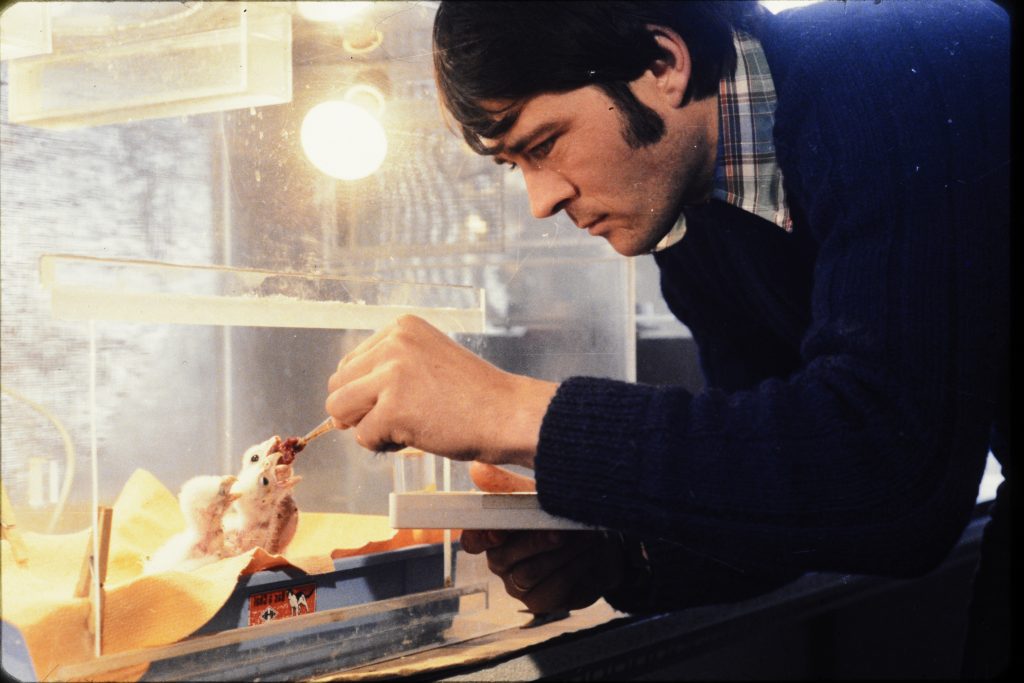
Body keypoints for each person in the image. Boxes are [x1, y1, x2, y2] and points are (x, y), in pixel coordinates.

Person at [326, 1, 1009, 675]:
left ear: (663, 63)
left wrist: (508, 410)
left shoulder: (893, 65)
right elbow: (791, 489)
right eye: (515, 164)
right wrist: (617, 553)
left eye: (543, 143)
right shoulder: (698, 224)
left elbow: (899, 474)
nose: (540, 200)